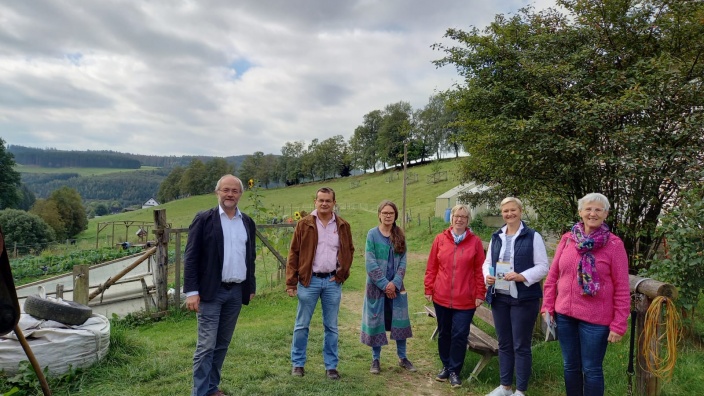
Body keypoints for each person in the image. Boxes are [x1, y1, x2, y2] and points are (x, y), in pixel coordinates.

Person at [541, 193, 630, 396]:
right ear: (580, 212)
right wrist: (547, 306)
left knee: (591, 369)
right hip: (564, 315)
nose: (593, 213)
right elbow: (553, 275)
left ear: (606, 214)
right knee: (570, 365)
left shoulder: (614, 245)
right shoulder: (567, 240)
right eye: (588, 209)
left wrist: (618, 324)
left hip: (596, 321)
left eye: (598, 210)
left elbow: (622, 288)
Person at [184, 175, 257, 396]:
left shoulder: (247, 222)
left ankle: (212, 387)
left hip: (235, 292)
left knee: (222, 344)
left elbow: (249, 257)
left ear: (240, 194)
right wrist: (192, 292)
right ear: (217, 192)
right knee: (206, 346)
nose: (230, 194)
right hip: (210, 293)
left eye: (234, 191)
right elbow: (191, 257)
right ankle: (199, 392)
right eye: (226, 190)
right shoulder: (204, 219)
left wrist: (250, 287)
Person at [286, 187, 355, 380]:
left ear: (334, 202)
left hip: (332, 282)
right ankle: (298, 364)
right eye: (321, 200)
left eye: (328, 200)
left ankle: (331, 367)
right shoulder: (304, 224)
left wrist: (342, 275)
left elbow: (349, 250)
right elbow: (294, 253)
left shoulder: (342, 225)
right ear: (315, 202)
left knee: (331, 326)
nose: (324, 203)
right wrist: (291, 282)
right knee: (302, 325)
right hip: (309, 281)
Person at [482, 197, 549, 396]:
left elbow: (543, 267)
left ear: (520, 211)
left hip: (523, 298)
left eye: (513, 210)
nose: (509, 214)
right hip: (500, 297)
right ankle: (505, 387)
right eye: (505, 211)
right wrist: (488, 276)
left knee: (521, 345)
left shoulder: (532, 236)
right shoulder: (497, 236)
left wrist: (522, 276)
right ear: (501, 213)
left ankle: (520, 391)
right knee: (504, 343)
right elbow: (487, 263)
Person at [424, 204, 486, 388]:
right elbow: (432, 266)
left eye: (463, 217)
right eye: (456, 216)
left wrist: (480, 293)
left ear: (468, 221)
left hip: (465, 299)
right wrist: (429, 288)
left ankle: (454, 371)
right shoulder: (440, 239)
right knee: (444, 333)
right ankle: (445, 365)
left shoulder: (475, 242)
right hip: (441, 296)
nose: (459, 219)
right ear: (451, 219)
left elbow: (479, 271)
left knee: (460, 334)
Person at [360, 200, 415, 374]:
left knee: (400, 321)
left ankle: (403, 357)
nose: (388, 215)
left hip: (397, 288)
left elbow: (403, 263)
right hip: (377, 288)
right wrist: (385, 285)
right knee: (377, 321)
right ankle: (375, 360)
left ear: (395, 215)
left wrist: (395, 284)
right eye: (385, 212)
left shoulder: (400, 235)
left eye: (391, 213)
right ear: (379, 214)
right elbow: (370, 263)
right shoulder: (372, 235)